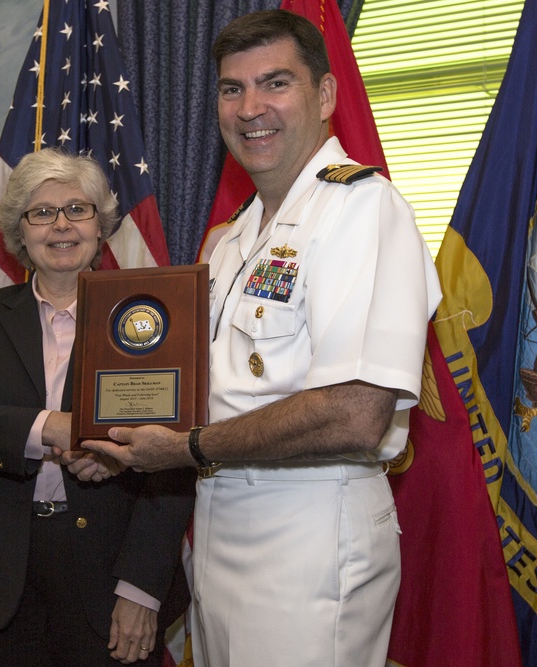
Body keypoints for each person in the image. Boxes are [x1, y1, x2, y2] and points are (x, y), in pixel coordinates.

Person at [80, 9, 441, 667]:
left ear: (325, 96)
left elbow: (357, 413)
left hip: (309, 533)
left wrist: (185, 446)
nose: (251, 108)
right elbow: (208, 392)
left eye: (275, 83)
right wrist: (120, 439)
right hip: (219, 530)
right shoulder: (233, 239)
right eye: (231, 88)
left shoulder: (362, 209)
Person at [0, 147, 195, 667]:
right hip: (1, 571)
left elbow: (173, 458)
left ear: (100, 226)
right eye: (41, 212)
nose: (61, 225)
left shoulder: (149, 315)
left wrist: (140, 588)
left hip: (113, 567)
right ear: (20, 232)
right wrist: (52, 427)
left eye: (77, 209)